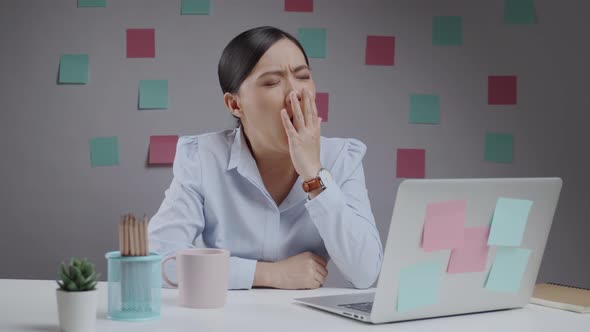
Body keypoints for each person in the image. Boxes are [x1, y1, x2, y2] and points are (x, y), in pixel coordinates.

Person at [148, 26, 383, 290]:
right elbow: (156, 263)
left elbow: (365, 273)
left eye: (303, 76)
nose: (294, 93)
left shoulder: (341, 158)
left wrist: (314, 175)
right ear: (235, 104)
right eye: (272, 82)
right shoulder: (203, 157)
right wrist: (268, 274)